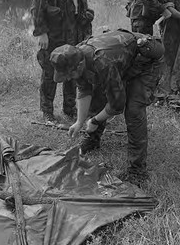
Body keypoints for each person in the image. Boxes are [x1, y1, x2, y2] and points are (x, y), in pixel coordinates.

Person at [49, 29, 164, 182]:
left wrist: (95, 120)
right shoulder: (75, 56)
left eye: (69, 75)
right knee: (98, 96)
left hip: (146, 61)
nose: (69, 78)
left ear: (79, 66)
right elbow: (84, 90)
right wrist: (79, 122)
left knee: (133, 109)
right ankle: (93, 139)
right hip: (123, 61)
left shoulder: (102, 62)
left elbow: (117, 104)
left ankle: (138, 171)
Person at [31, 0, 94, 123]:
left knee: (71, 68)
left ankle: (69, 108)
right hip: (53, 32)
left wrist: (85, 28)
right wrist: (41, 32)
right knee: (50, 71)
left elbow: (81, 3)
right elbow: (38, 4)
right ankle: (47, 112)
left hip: (73, 30)